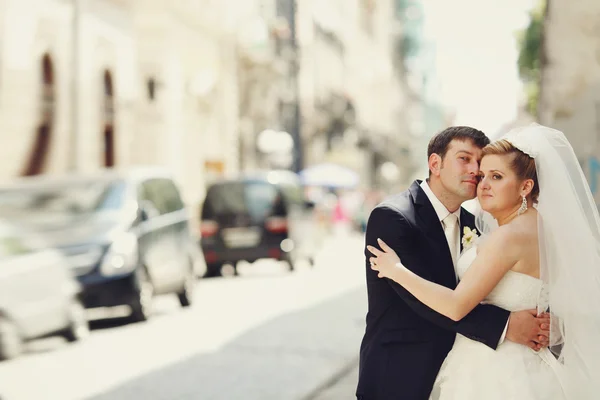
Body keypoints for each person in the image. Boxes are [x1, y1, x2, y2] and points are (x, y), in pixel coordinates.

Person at [368, 124, 600, 399]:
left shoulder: (500, 233)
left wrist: (396, 270)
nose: (479, 178)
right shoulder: (395, 217)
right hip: (403, 372)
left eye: (494, 175)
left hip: (495, 372)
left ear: (526, 186)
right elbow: (421, 302)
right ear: (435, 163)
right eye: (466, 160)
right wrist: (510, 325)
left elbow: (457, 304)